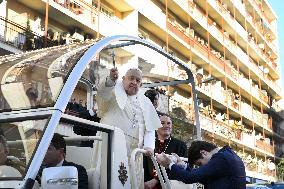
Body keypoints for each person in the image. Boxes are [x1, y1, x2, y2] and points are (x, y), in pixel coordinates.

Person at [96, 68, 162, 156]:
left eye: (138, 80)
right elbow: (103, 93)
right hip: (111, 143)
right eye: (131, 78)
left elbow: (150, 127)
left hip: (134, 152)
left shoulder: (145, 102)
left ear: (141, 84)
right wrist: (111, 80)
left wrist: (149, 146)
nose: (134, 82)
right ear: (123, 79)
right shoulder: (113, 90)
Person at [156, 140, 246, 189]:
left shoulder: (221, 158)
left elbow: (190, 177)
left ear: (204, 153)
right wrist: (183, 166)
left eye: (199, 164)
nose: (202, 167)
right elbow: (201, 176)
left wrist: (170, 164)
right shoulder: (229, 155)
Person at [144, 113, 187, 189]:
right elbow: (145, 166)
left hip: (170, 184)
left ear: (171, 127)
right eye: (162, 123)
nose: (166, 126)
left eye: (168, 123)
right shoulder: (149, 144)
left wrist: (156, 180)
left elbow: (181, 168)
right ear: (156, 126)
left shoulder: (180, 145)